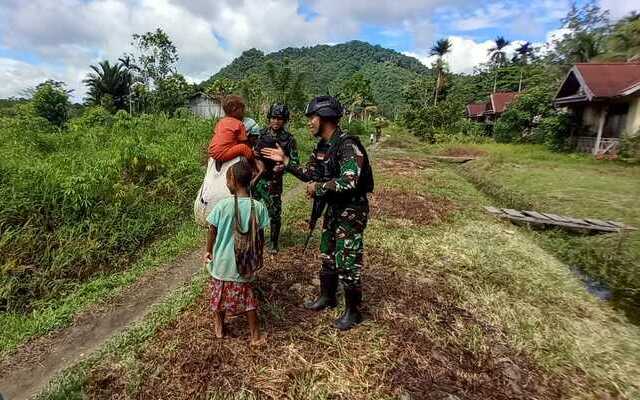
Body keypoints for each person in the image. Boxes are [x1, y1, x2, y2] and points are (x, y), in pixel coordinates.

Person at [261, 96, 373, 331]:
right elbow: (309, 173)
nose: (309, 123)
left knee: (347, 260)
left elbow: (350, 181)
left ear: (325, 119)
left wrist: (319, 188)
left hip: (351, 210)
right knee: (327, 254)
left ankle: (353, 312)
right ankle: (327, 297)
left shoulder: (346, 145)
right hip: (333, 208)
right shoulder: (322, 146)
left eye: (312, 118)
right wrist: (287, 162)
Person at [204, 157, 270, 346]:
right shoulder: (258, 207)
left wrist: (209, 251)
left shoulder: (223, 205)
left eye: (226, 180)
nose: (226, 183)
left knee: (218, 297)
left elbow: (212, 230)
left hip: (222, 264)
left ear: (232, 181)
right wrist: (259, 256)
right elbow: (260, 236)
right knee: (249, 300)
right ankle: (255, 335)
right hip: (245, 263)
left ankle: (219, 328)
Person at [253, 103, 299, 253]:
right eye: (273, 117)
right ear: (269, 118)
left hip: (274, 180)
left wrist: (283, 167)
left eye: (280, 118)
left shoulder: (289, 139)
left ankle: (273, 243)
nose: (276, 121)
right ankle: (255, 240)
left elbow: (294, 162)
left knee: (274, 213)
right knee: (252, 210)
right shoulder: (259, 134)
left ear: (284, 120)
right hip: (257, 180)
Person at [208, 95, 254, 162]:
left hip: (212, 152)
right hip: (222, 153)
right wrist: (251, 152)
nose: (244, 113)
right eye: (242, 110)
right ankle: (255, 167)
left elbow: (217, 134)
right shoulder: (239, 124)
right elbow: (244, 142)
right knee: (244, 148)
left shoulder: (221, 121)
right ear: (234, 109)